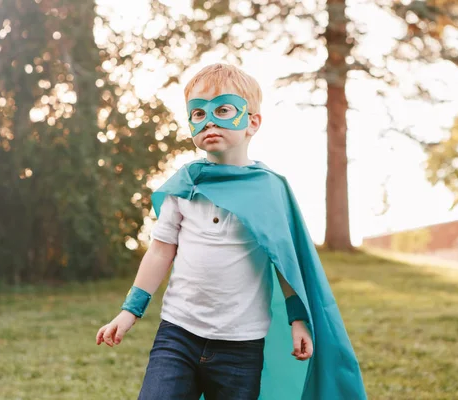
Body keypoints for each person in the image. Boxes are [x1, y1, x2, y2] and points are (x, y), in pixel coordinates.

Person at [96, 63, 367, 400]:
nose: (209, 120)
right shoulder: (186, 184)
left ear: (252, 121)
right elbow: (161, 250)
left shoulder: (269, 190)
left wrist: (298, 318)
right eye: (198, 113)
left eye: (223, 109)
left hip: (241, 346)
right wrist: (130, 310)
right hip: (178, 333)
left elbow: (284, 258)